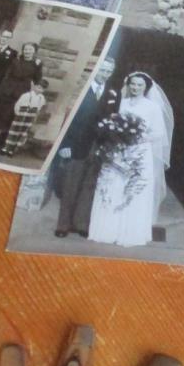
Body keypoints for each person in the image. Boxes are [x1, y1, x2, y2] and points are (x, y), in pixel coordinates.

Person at [88, 71, 174, 246]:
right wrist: (117, 136)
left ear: (146, 87)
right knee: (112, 187)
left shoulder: (152, 107)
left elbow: (158, 133)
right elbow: (111, 123)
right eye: (132, 84)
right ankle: (107, 230)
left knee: (133, 190)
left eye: (139, 85)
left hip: (139, 153)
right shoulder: (121, 103)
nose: (135, 88)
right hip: (118, 151)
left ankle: (130, 233)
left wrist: (136, 138)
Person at [53, 55, 119, 237]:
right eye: (102, 70)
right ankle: (63, 225)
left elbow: (113, 120)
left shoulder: (113, 93)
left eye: (108, 71)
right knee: (70, 184)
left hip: (98, 145)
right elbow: (67, 118)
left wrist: (108, 145)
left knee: (89, 184)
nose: (104, 74)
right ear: (96, 69)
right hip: (76, 143)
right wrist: (64, 144)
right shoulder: (81, 89)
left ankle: (80, 223)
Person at [0, 41, 44, 150]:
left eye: (30, 50)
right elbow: (7, 75)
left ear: (34, 52)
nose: (27, 51)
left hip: (21, 92)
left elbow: (37, 80)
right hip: (7, 90)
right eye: (26, 49)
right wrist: (0, 90)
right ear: (23, 50)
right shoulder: (16, 60)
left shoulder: (37, 64)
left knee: (7, 116)